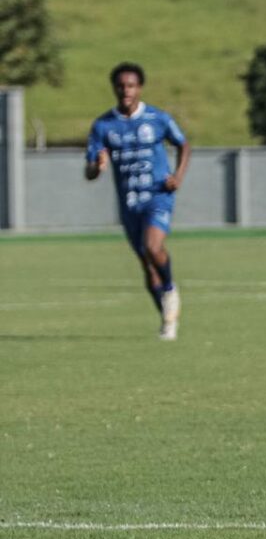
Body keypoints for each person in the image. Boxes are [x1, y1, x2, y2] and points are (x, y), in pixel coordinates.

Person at [86, 63, 190, 341]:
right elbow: (90, 173)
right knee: (146, 263)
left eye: (131, 85)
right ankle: (167, 321)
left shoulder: (158, 118)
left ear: (139, 88)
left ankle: (169, 288)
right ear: (114, 88)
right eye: (121, 86)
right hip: (129, 203)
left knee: (152, 246)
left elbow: (183, 144)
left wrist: (177, 176)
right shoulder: (103, 126)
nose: (126, 91)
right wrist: (97, 165)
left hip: (157, 196)